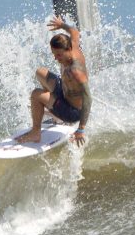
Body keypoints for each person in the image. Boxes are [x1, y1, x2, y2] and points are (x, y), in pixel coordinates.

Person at [16, 16, 92, 147]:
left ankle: (36, 133)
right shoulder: (72, 44)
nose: (56, 58)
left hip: (72, 112)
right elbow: (75, 32)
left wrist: (81, 129)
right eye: (54, 54)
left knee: (36, 94)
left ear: (68, 50)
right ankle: (51, 109)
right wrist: (62, 25)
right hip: (63, 92)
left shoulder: (75, 71)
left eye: (59, 55)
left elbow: (88, 99)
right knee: (40, 72)